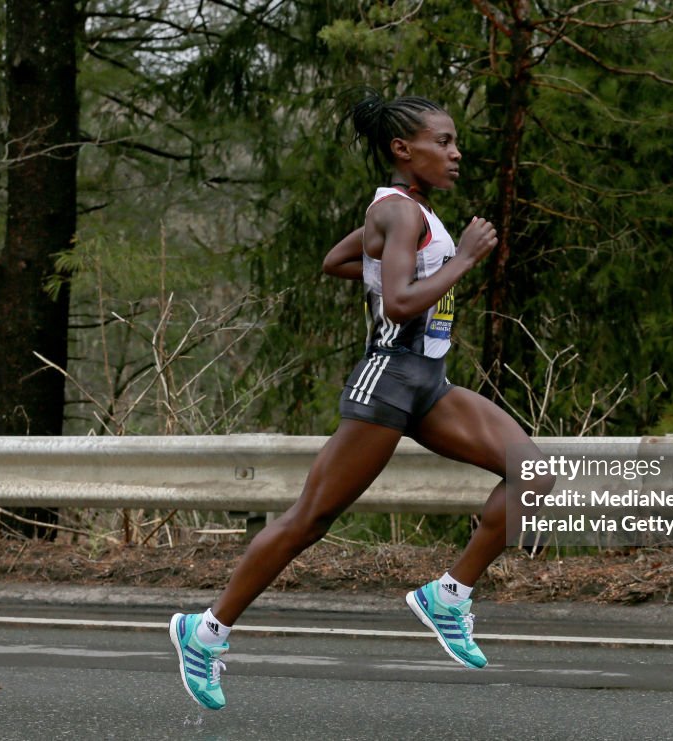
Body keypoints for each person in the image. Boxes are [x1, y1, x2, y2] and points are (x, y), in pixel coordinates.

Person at [169, 91, 551, 711]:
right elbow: (400, 303)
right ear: (404, 150)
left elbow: (339, 260)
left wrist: (388, 269)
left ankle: (448, 597)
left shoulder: (405, 210)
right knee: (310, 520)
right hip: (389, 379)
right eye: (443, 142)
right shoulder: (402, 214)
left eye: (455, 142)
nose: (456, 154)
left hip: (428, 381)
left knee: (532, 473)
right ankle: (205, 632)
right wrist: (464, 260)